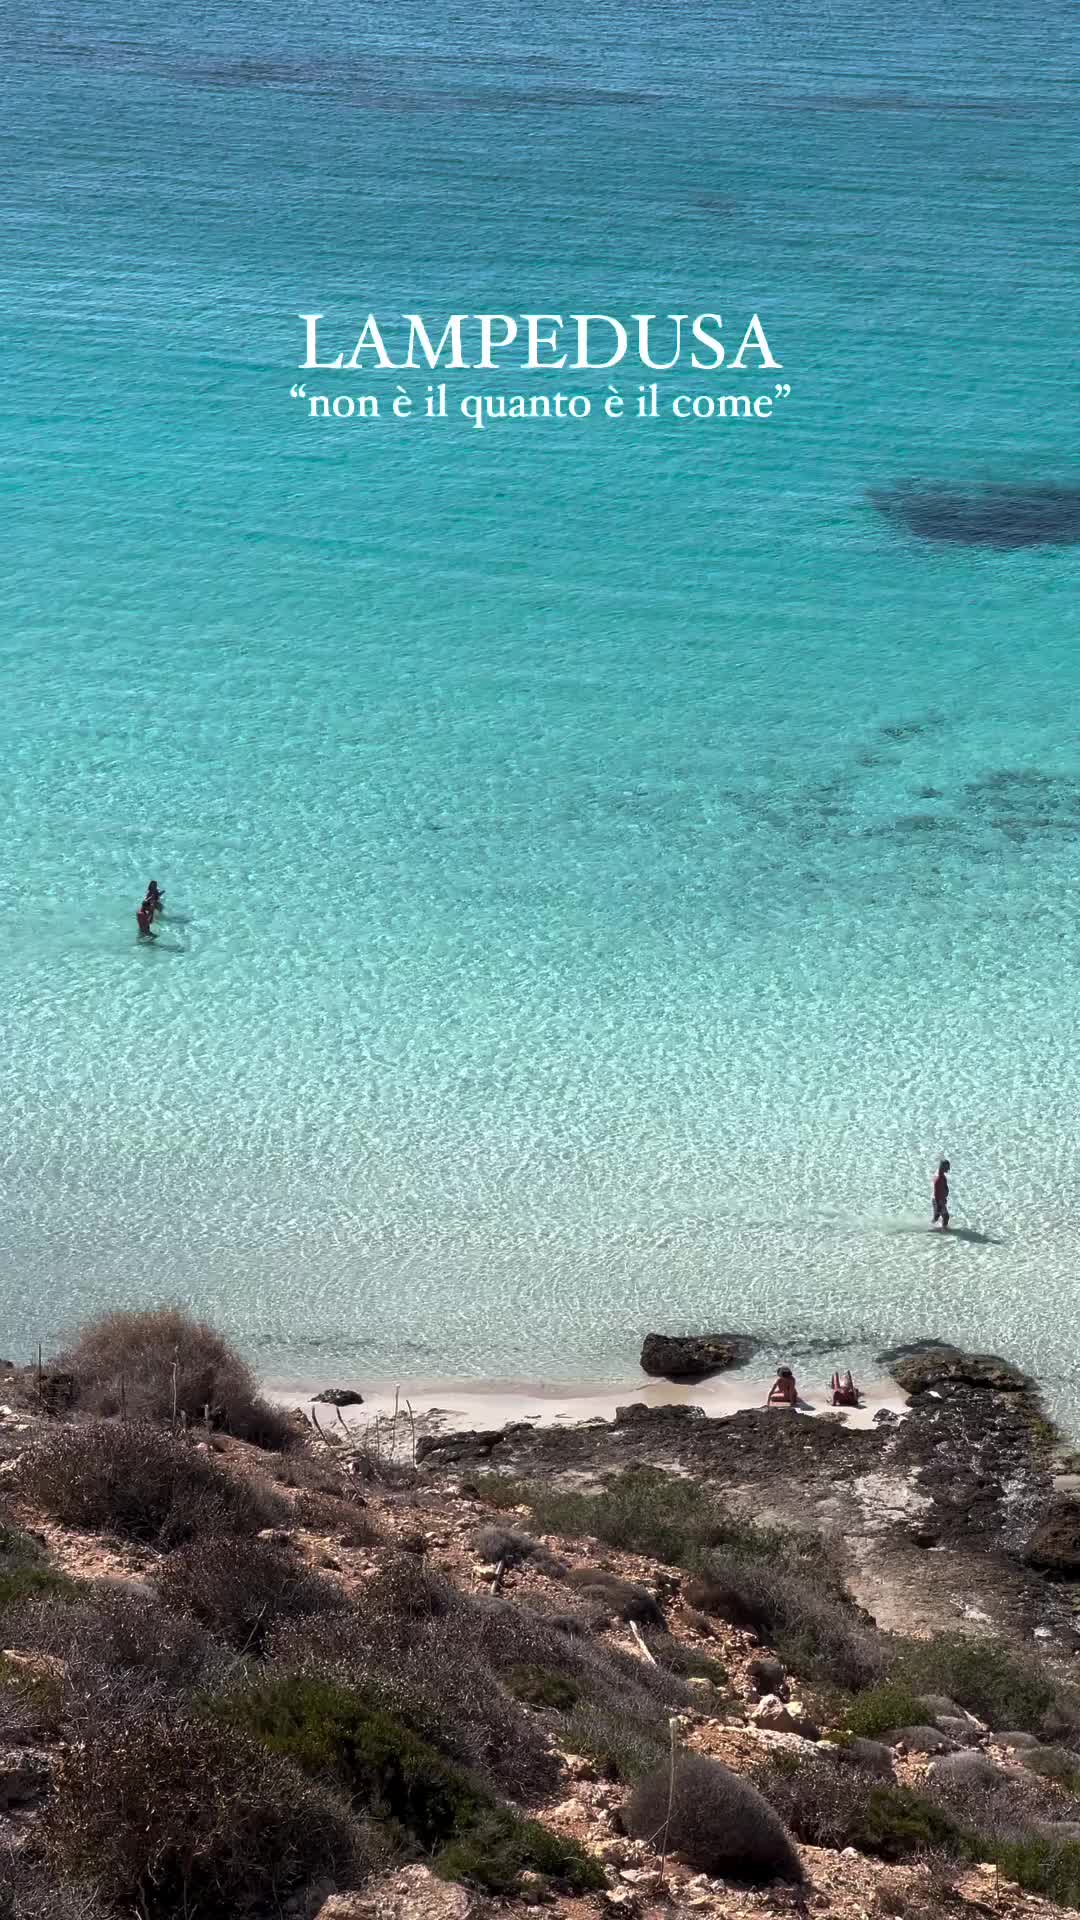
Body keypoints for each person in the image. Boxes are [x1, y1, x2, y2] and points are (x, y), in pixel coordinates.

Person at [932, 1157, 951, 1231]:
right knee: (946, 1216)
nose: (948, 1169)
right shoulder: (939, 1178)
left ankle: (931, 1227)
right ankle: (944, 1230)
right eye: (947, 1167)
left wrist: (945, 1196)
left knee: (937, 1216)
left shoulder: (941, 1175)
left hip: (939, 1199)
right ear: (942, 1167)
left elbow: (944, 1187)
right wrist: (940, 1203)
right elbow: (937, 1192)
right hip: (938, 1200)